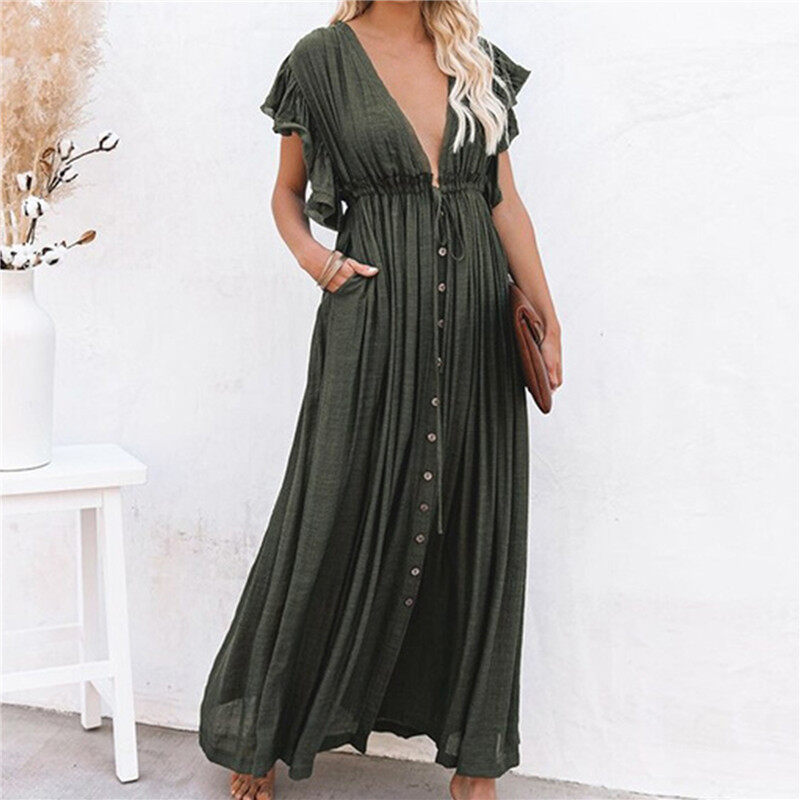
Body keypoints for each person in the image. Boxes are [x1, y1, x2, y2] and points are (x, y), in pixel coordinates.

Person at [199, 2, 562, 799]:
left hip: (478, 328)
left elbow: (503, 200)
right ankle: (259, 729)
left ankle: (476, 765)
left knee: (478, 522)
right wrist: (317, 262)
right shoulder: (320, 60)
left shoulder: (475, 56)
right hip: (373, 319)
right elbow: (286, 193)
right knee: (326, 510)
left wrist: (546, 311)